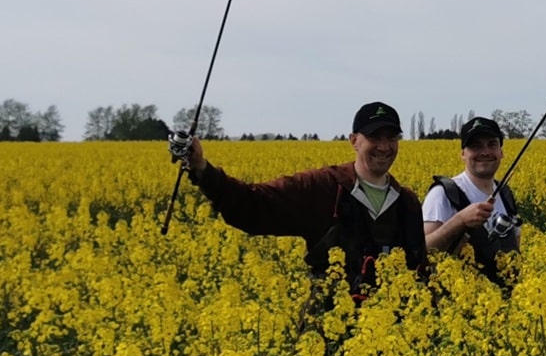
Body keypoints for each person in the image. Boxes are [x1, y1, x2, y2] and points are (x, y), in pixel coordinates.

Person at [179, 100, 428, 298]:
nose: (384, 147)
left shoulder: (406, 202)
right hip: (327, 340)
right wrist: (202, 169)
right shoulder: (323, 187)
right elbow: (254, 205)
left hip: (392, 341)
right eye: (375, 138)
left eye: (392, 137)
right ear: (354, 141)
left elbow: (419, 270)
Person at [421, 115, 521, 282]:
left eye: (492, 145)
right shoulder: (444, 193)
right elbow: (424, 250)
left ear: (501, 152)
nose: (485, 152)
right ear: (463, 154)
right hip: (458, 301)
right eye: (476, 146)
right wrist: (460, 220)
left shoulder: (505, 193)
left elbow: (516, 246)